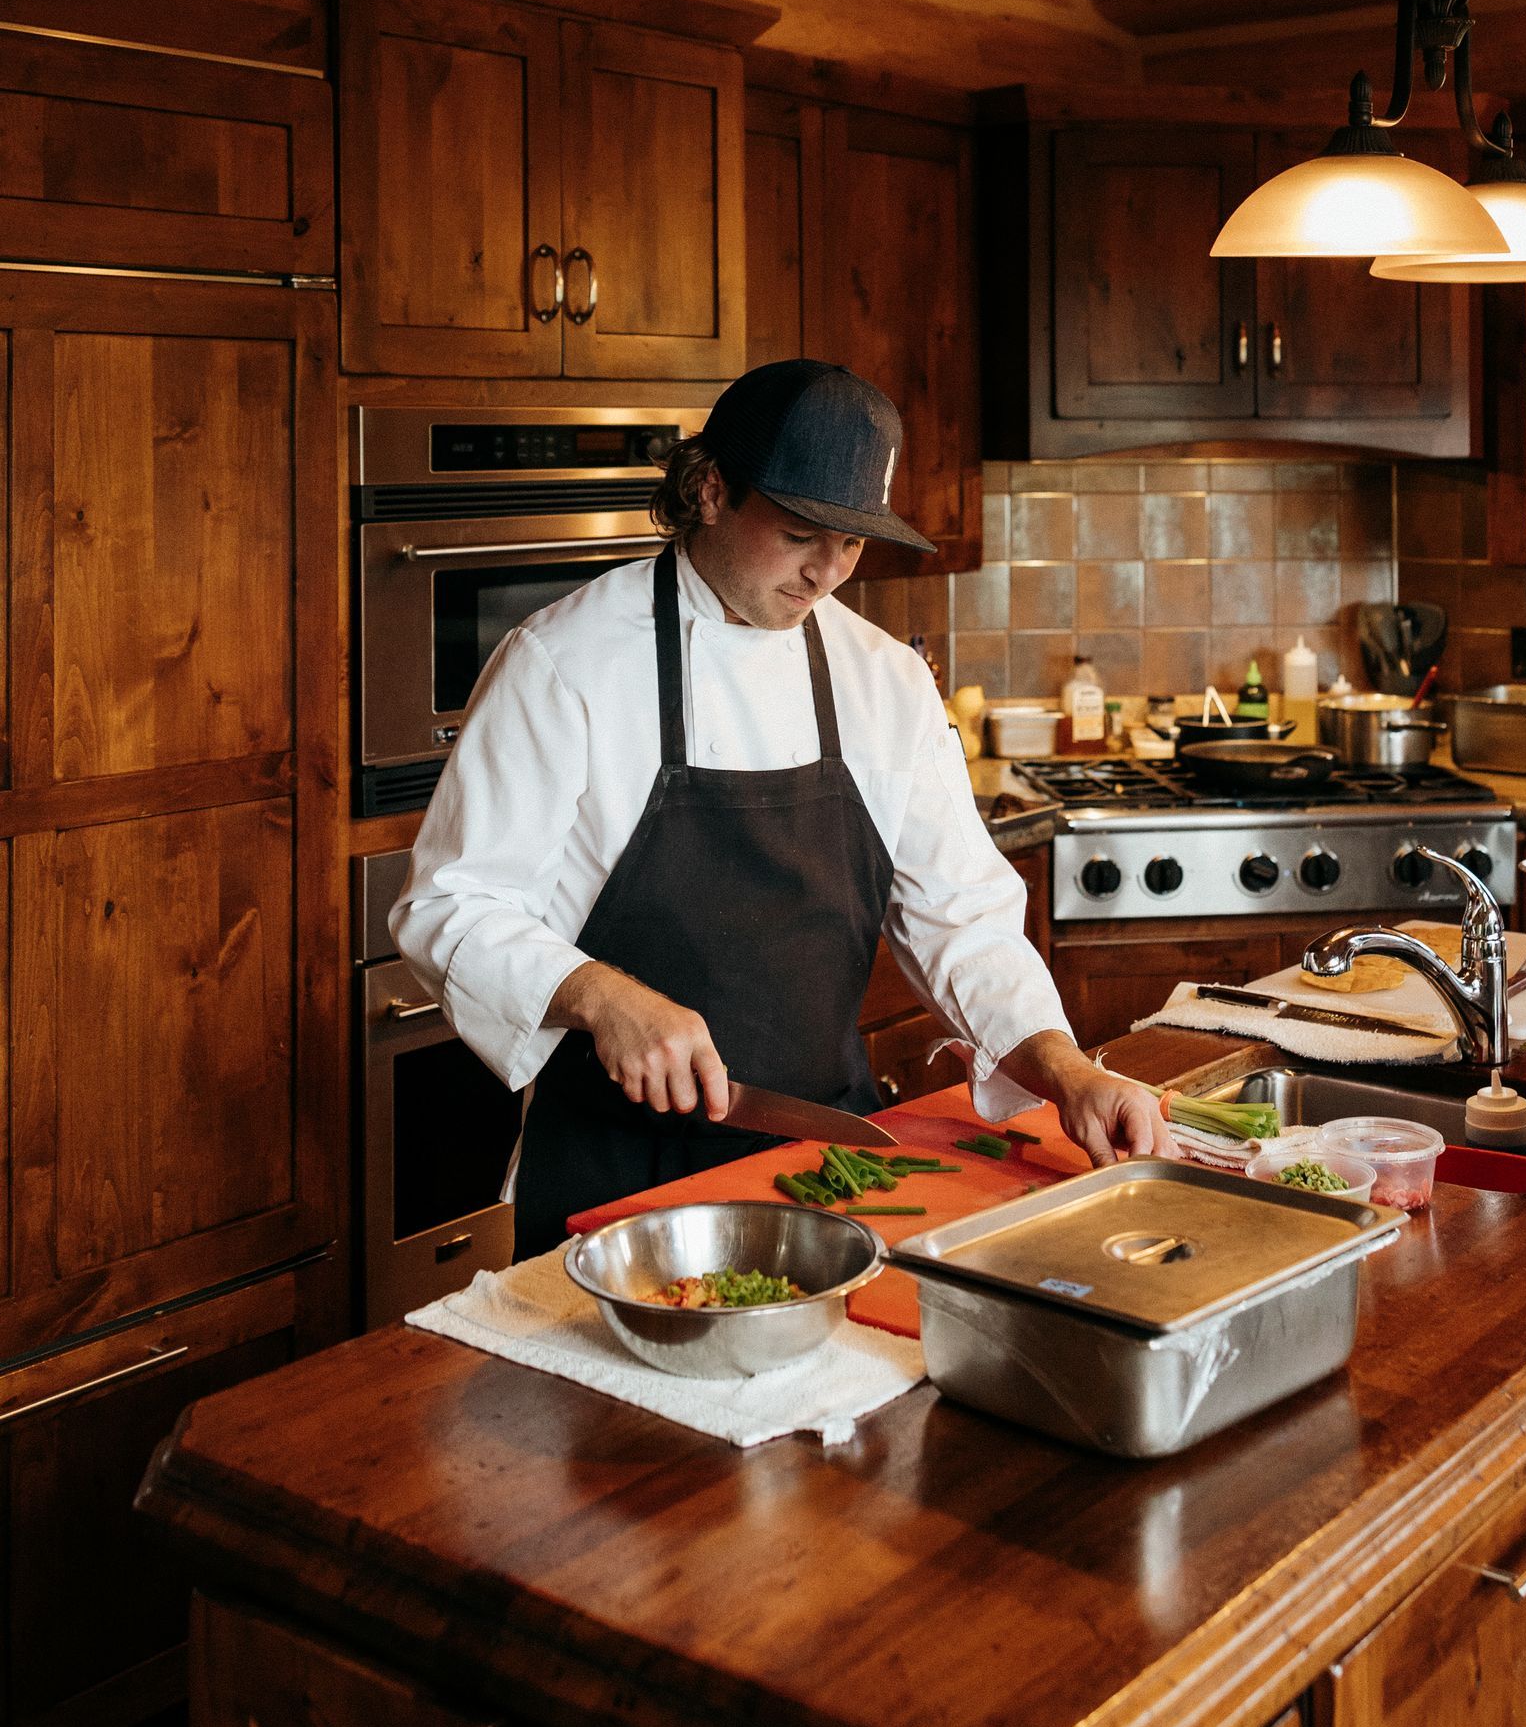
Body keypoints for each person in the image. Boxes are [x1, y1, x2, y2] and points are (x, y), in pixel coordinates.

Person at [395, 359, 1169, 1256]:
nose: (827, 574)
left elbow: (963, 921)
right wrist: (603, 997)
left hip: (822, 1164)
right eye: (801, 533)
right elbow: (448, 907)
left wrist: (1067, 1070)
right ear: (712, 490)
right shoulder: (563, 665)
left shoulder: (885, 681)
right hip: (615, 1179)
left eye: (853, 544)